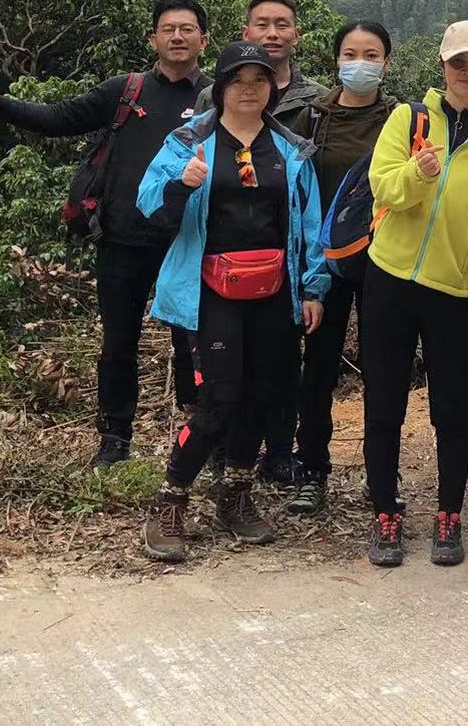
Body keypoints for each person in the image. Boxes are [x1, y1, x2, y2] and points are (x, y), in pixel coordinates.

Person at [0, 0, 210, 468]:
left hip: (187, 242)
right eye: (168, 29)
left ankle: (197, 439)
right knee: (119, 342)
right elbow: (60, 117)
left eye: (187, 28)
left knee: (192, 344)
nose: (177, 36)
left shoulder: (215, 99)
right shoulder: (127, 90)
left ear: (204, 38)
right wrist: (0, 105)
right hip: (122, 238)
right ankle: (114, 439)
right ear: (153, 39)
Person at [136, 41, 330, 563]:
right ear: (219, 88)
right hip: (210, 290)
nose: (250, 88)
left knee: (261, 394)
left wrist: (313, 287)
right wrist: (181, 182)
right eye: (238, 79)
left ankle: (236, 495)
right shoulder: (188, 141)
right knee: (219, 398)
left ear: (271, 88)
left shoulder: (291, 150)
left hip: (273, 290)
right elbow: (148, 203)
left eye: (260, 80)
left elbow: (310, 225)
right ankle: (170, 499)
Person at [363, 20, 468, 568]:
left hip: (458, 287)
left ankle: (448, 513)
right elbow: (384, 188)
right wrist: (419, 172)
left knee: (454, 409)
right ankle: (386, 510)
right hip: (390, 278)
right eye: (460, 63)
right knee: (384, 401)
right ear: (443, 65)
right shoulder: (407, 119)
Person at [253, 19, 397, 514]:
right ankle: (312, 466)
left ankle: (384, 474)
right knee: (316, 369)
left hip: (384, 262)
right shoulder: (312, 119)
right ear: (337, 60)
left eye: (372, 55)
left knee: (384, 370)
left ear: (387, 63)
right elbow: (293, 190)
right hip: (323, 264)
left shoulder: (401, 120)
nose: (361, 63)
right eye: (352, 53)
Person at [193, 0, 324, 132]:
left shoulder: (320, 100)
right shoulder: (213, 96)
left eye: (282, 26)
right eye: (262, 25)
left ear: (296, 36)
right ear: (245, 34)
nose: (272, 34)